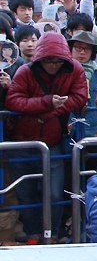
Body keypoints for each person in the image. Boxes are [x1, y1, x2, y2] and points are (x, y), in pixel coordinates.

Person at [4, 32, 88, 244]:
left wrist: (49, 113)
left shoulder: (75, 70)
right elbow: (13, 101)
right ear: (39, 59)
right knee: (26, 193)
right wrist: (47, 102)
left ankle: (53, 233)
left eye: (57, 61)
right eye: (48, 61)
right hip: (22, 141)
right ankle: (33, 233)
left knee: (55, 193)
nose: (52, 65)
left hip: (53, 140)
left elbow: (80, 97)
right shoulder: (25, 72)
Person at [67, 30, 97, 137]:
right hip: (69, 127)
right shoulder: (64, 69)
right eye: (78, 47)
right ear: (71, 48)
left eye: (87, 48)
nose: (82, 52)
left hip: (93, 128)